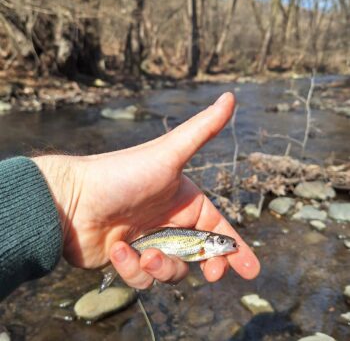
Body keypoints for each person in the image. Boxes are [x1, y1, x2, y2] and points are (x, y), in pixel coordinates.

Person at [0, 92, 260, 300]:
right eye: (224, 243)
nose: (228, 245)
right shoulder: (203, 244)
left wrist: (71, 194)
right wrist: (70, 193)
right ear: (211, 242)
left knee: (155, 264)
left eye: (224, 244)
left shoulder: (202, 245)